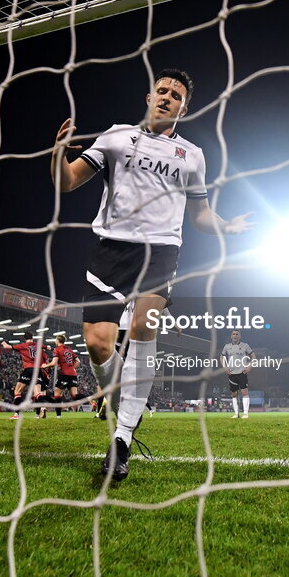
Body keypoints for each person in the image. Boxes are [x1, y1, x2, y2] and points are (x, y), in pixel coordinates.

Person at [51, 68, 254, 481]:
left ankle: (123, 436)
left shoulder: (192, 156)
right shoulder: (115, 137)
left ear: (184, 107)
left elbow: (199, 215)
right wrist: (57, 154)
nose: (166, 97)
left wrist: (227, 227)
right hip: (109, 251)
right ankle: (119, 395)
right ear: (149, 97)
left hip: (160, 253)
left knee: (145, 325)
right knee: (97, 343)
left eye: (175, 94)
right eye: (161, 90)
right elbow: (68, 182)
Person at [3, 338, 56, 420]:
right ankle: (41, 409)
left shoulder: (24, 345)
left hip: (29, 369)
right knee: (38, 393)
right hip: (40, 372)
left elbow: (7, 347)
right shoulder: (39, 346)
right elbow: (48, 348)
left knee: (17, 391)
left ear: (25, 339)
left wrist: (3, 343)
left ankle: (17, 414)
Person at [220, 330, 255, 418]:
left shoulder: (245, 345)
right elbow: (221, 357)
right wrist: (224, 367)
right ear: (231, 336)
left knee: (244, 392)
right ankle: (236, 413)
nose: (235, 336)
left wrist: (250, 366)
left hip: (242, 372)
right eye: (233, 334)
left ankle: (246, 413)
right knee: (234, 394)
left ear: (240, 336)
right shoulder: (227, 346)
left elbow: (253, 356)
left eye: (237, 334)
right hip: (232, 373)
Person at [52, 334, 81, 418]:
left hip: (64, 374)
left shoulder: (57, 349)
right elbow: (78, 361)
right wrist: (72, 368)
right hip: (73, 374)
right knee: (74, 395)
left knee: (57, 394)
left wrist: (45, 366)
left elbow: (54, 363)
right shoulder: (69, 349)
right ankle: (91, 400)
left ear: (58, 340)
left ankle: (58, 416)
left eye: (55, 339)